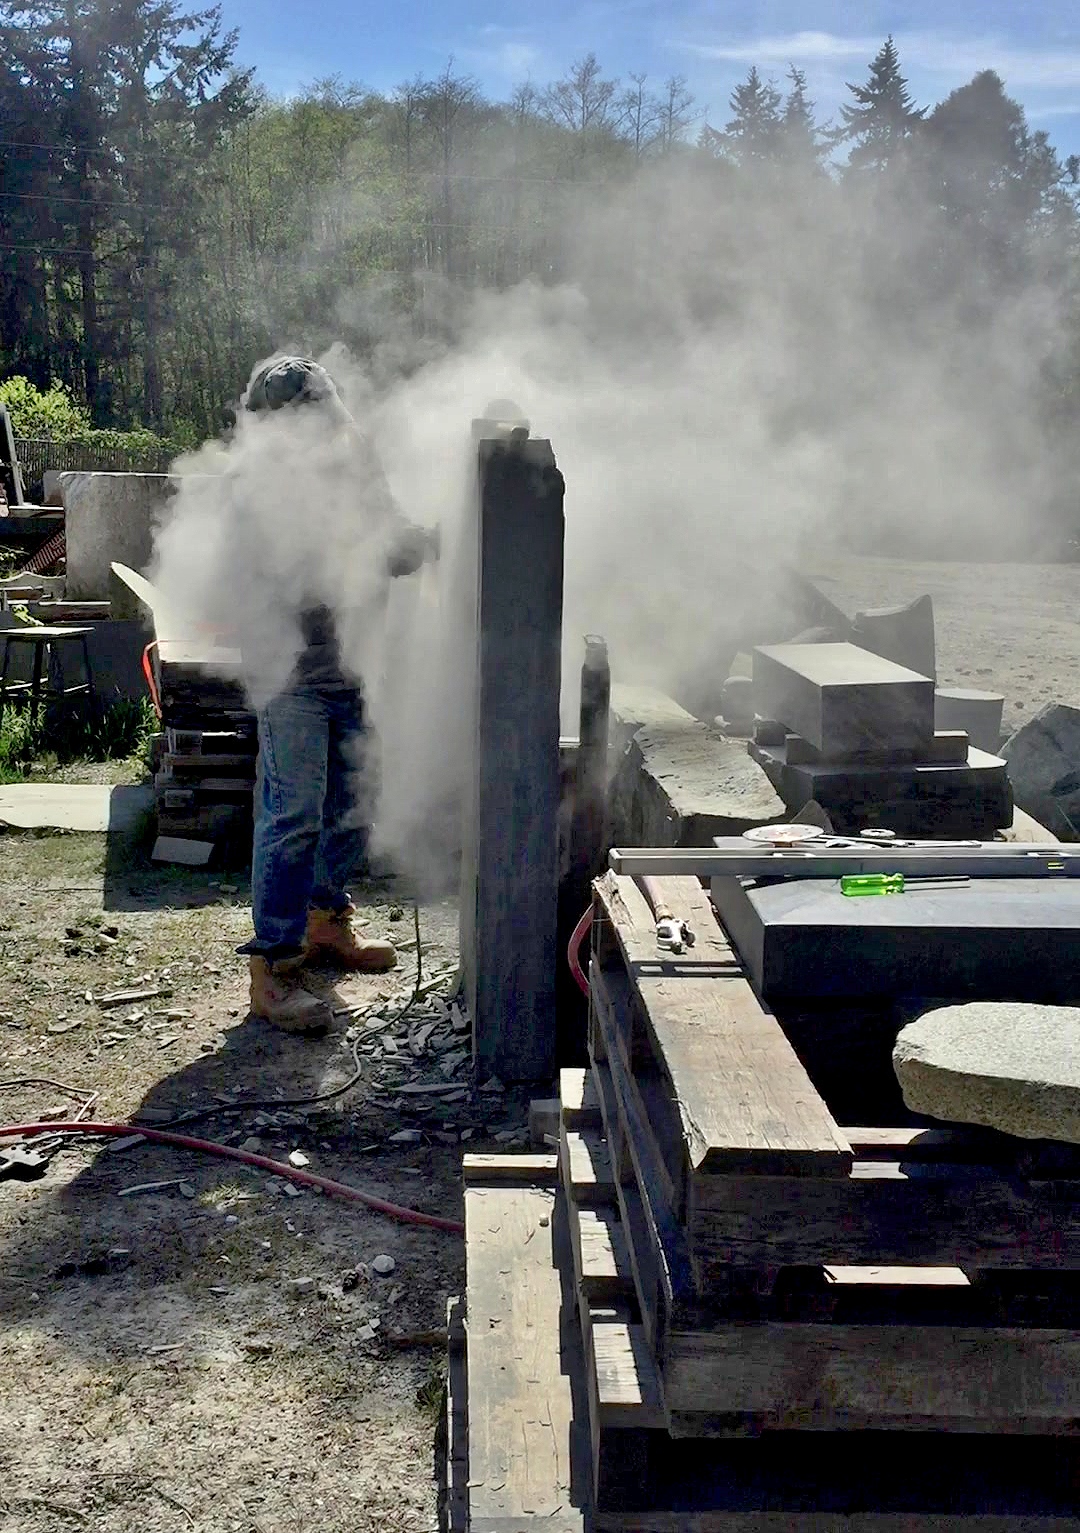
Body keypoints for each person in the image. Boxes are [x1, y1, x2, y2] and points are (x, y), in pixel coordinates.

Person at [236, 355, 437, 1035]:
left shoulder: (356, 467)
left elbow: (390, 537)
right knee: (292, 815)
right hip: (293, 672)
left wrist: (425, 541)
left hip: (351, 667)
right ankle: (273, 967)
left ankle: (327, 922)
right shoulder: (260, 489)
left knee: (352, 806)